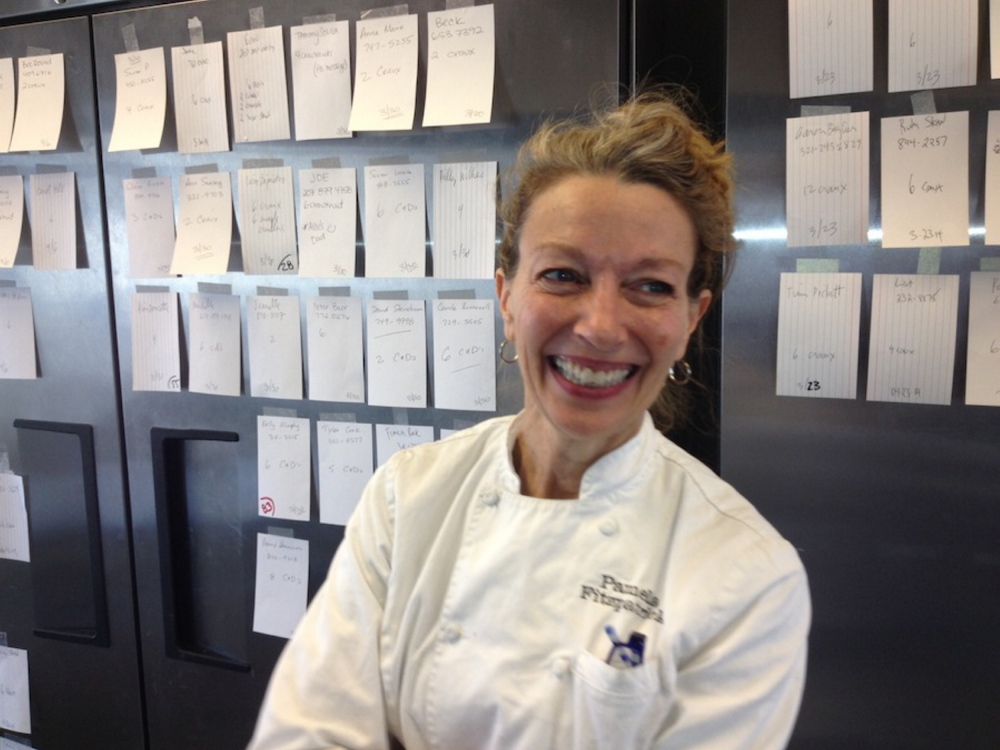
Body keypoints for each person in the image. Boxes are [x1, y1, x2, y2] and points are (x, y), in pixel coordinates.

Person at [248, 90, 811, 750]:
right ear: (506, 297)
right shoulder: (410, 496)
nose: (600, 326)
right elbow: (305, 734)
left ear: (691, 319)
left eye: (651, 285)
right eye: (563, 275)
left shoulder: (744, 573)